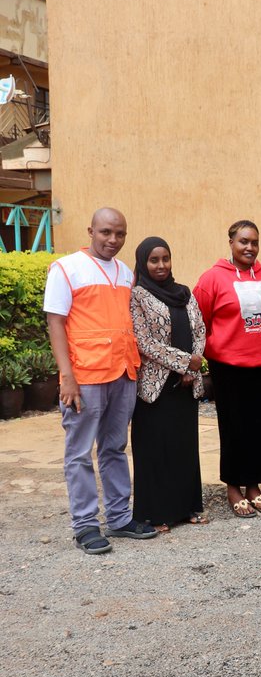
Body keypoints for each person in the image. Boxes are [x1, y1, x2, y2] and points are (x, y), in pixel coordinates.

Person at [44, 207, 157, 553]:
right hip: (86, 377)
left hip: (123, 373)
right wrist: (67, 376)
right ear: (91, 230)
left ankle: (120, 517)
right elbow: (56, 323)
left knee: (114, 448)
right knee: (79, 453)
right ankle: (85, 525)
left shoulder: (125, 272)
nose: (113, 240)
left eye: (120, 234)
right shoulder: (66, 269)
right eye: (106, 232)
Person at [194, 220, 261, 518]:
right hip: (229, 367)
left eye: (254, 242)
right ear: (231, 242)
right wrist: (210, 353)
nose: (249, 247)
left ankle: (254, 486)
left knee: (260, 428)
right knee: (234, 428)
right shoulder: (212, 279)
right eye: (243, 241)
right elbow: (199, 321)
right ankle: (233, 486)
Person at [129, 236, 207, 532]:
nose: (161, 265)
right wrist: (185, 362)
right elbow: (144, 342)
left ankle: (187, 507)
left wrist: (194, 364)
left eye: (165, 259)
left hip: (186, 386)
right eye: (154, 260)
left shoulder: (184, 292)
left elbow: (200, 327)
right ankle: (157, 513)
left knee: (183, 447)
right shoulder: (138, 295)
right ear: (143, 263)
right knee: (156, 449)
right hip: (155, 388)